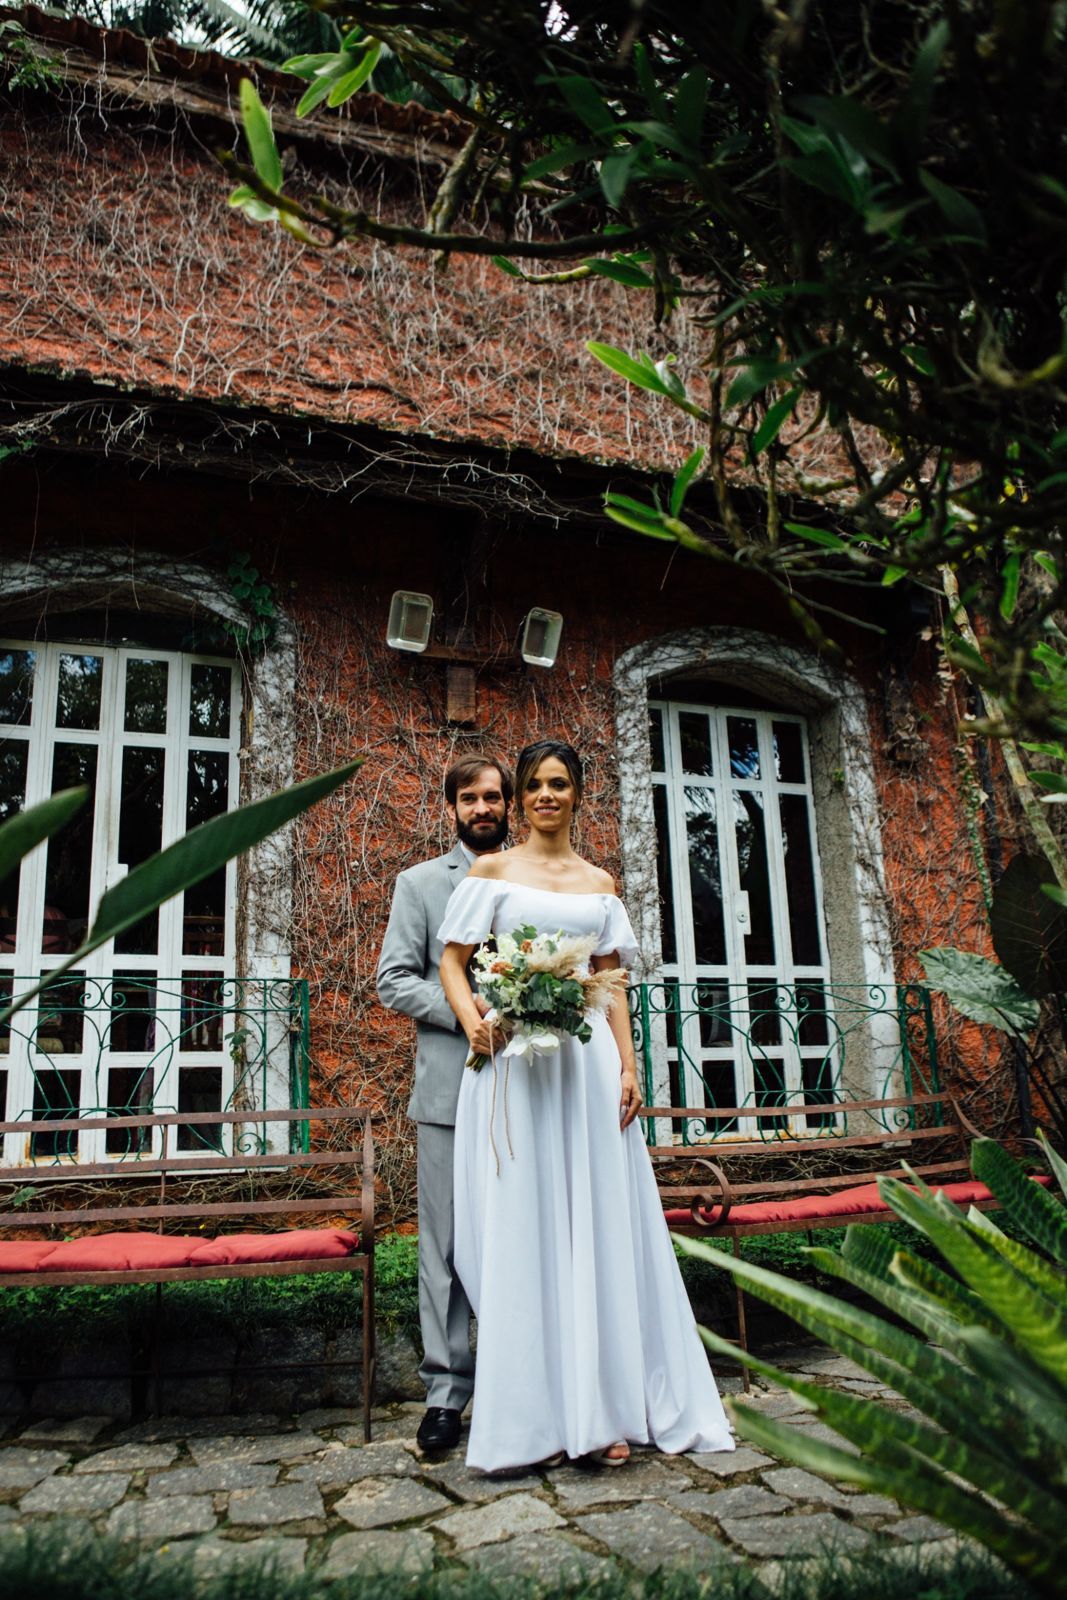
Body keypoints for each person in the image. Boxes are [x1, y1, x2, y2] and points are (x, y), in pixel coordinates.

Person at [438, 739, 734, 1474]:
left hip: (586, 1069)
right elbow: (452, 958)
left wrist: (630, 1067)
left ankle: (603, 1408)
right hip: (513, 1067)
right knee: (524, 1230)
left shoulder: (599, 881)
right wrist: (472, 1016)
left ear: (577, 794)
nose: (544, 795)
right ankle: (530, 1417)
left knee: (599, 1231)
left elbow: (611, 984)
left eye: (558, 784)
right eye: (533, 784)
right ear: (521, 795)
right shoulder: (491, 870)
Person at [376, 753, 513, 1454]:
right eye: (469, 798)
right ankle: (446, 1394)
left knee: (530, 1236)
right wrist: (466, 1011)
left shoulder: (532, 877)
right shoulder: (421, 884)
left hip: (531, 1091)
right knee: (447, 1246)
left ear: (506, 803)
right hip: (449, 1091)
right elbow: (392, 980)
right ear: (451, 807)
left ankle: (527, 1383)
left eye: (492, 796)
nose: (482, 808)